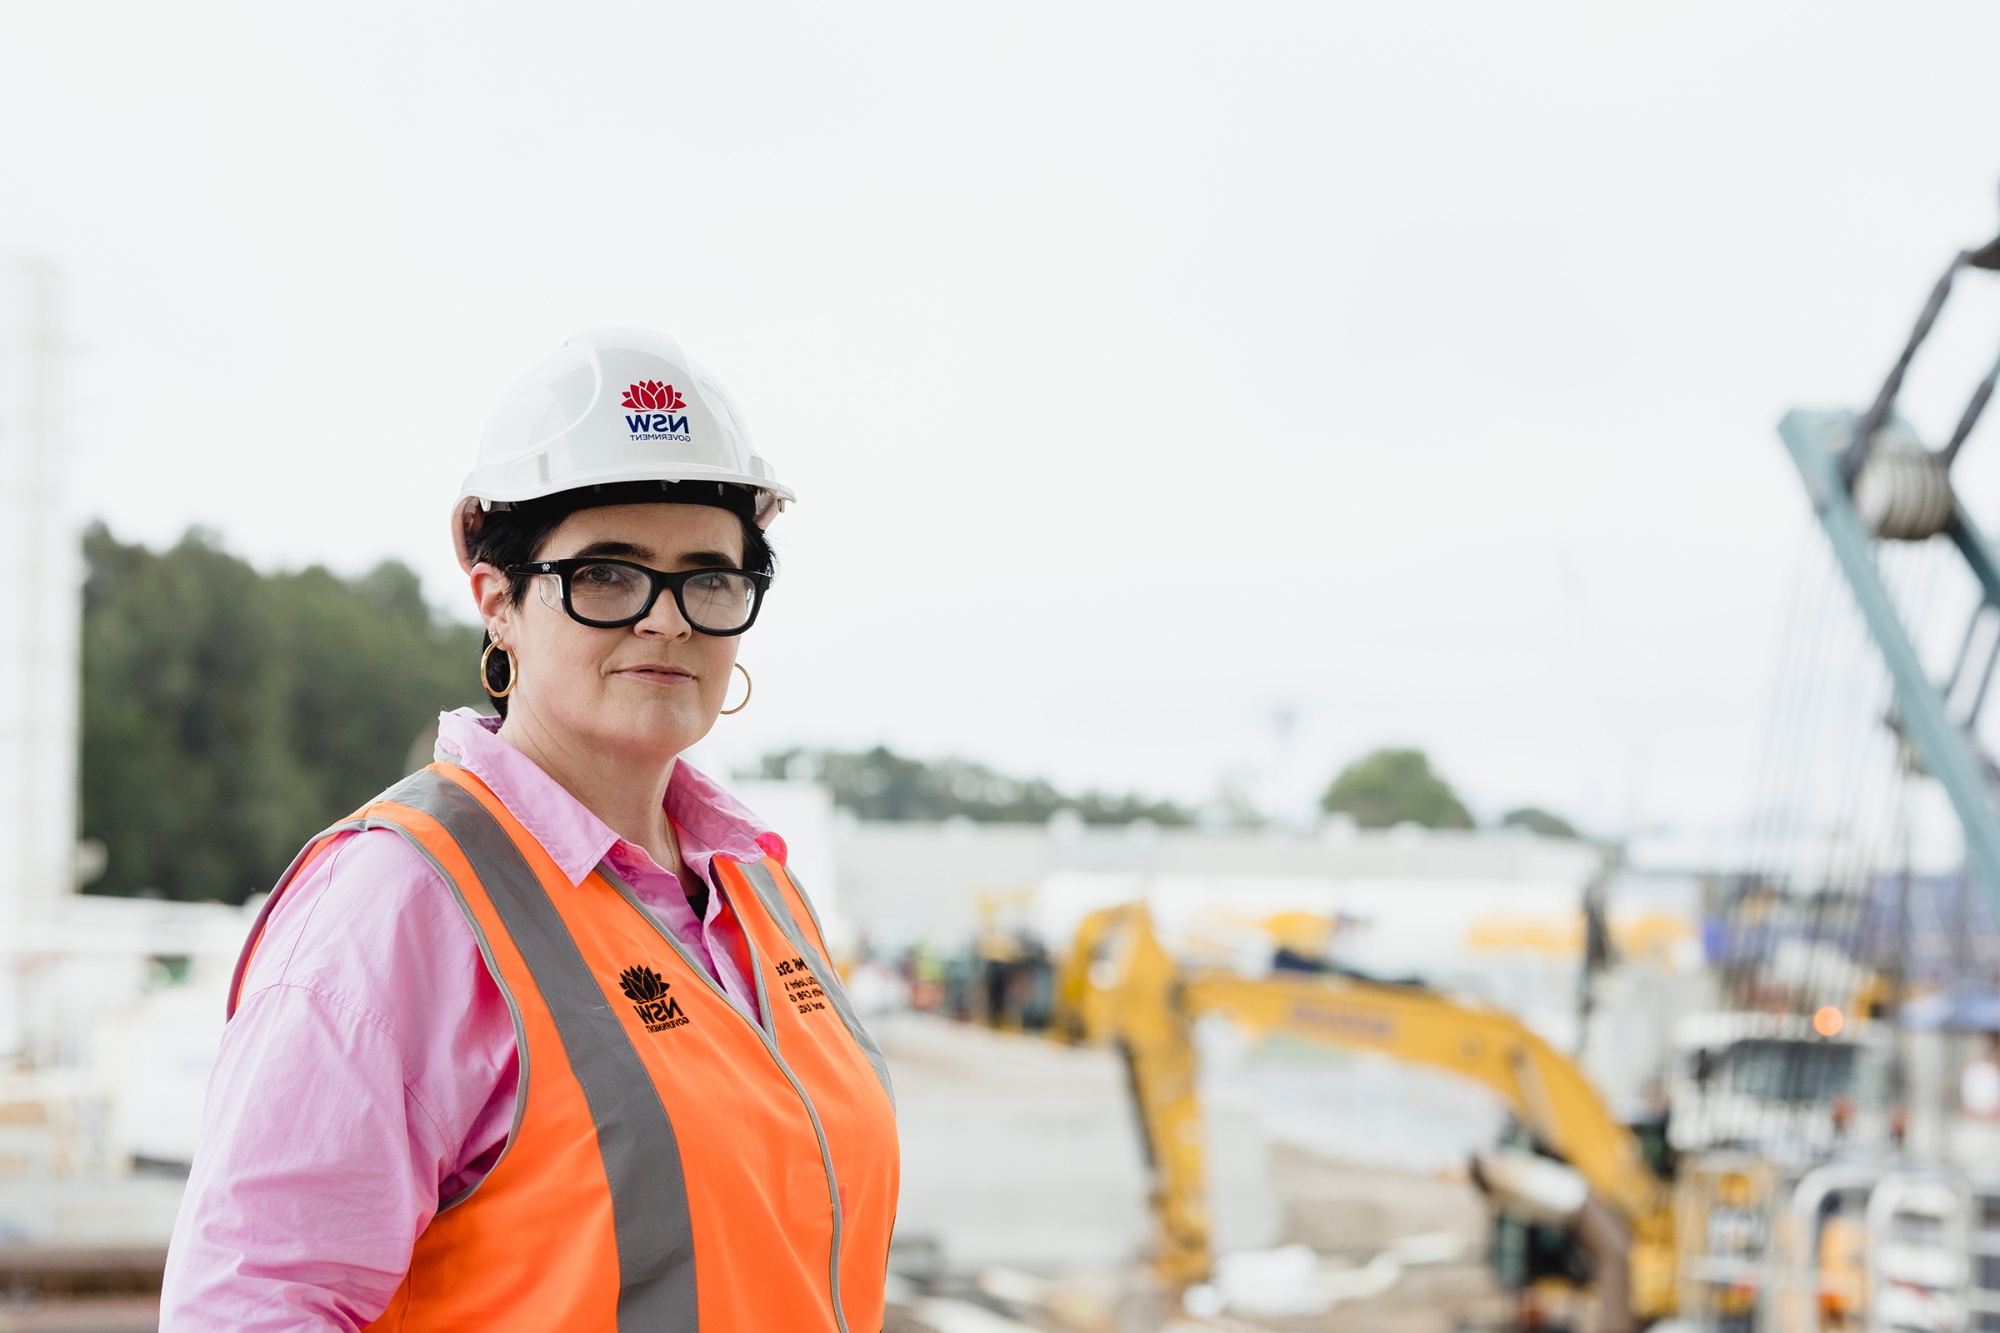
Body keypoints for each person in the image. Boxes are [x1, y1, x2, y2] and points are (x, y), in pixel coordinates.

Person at [161, 329, 899, 1332]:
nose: (665, 619)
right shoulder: (403, 900)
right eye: (606, 572)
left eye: (708, 577)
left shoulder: (756, 885)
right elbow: (253, 1304)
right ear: (496, 599)